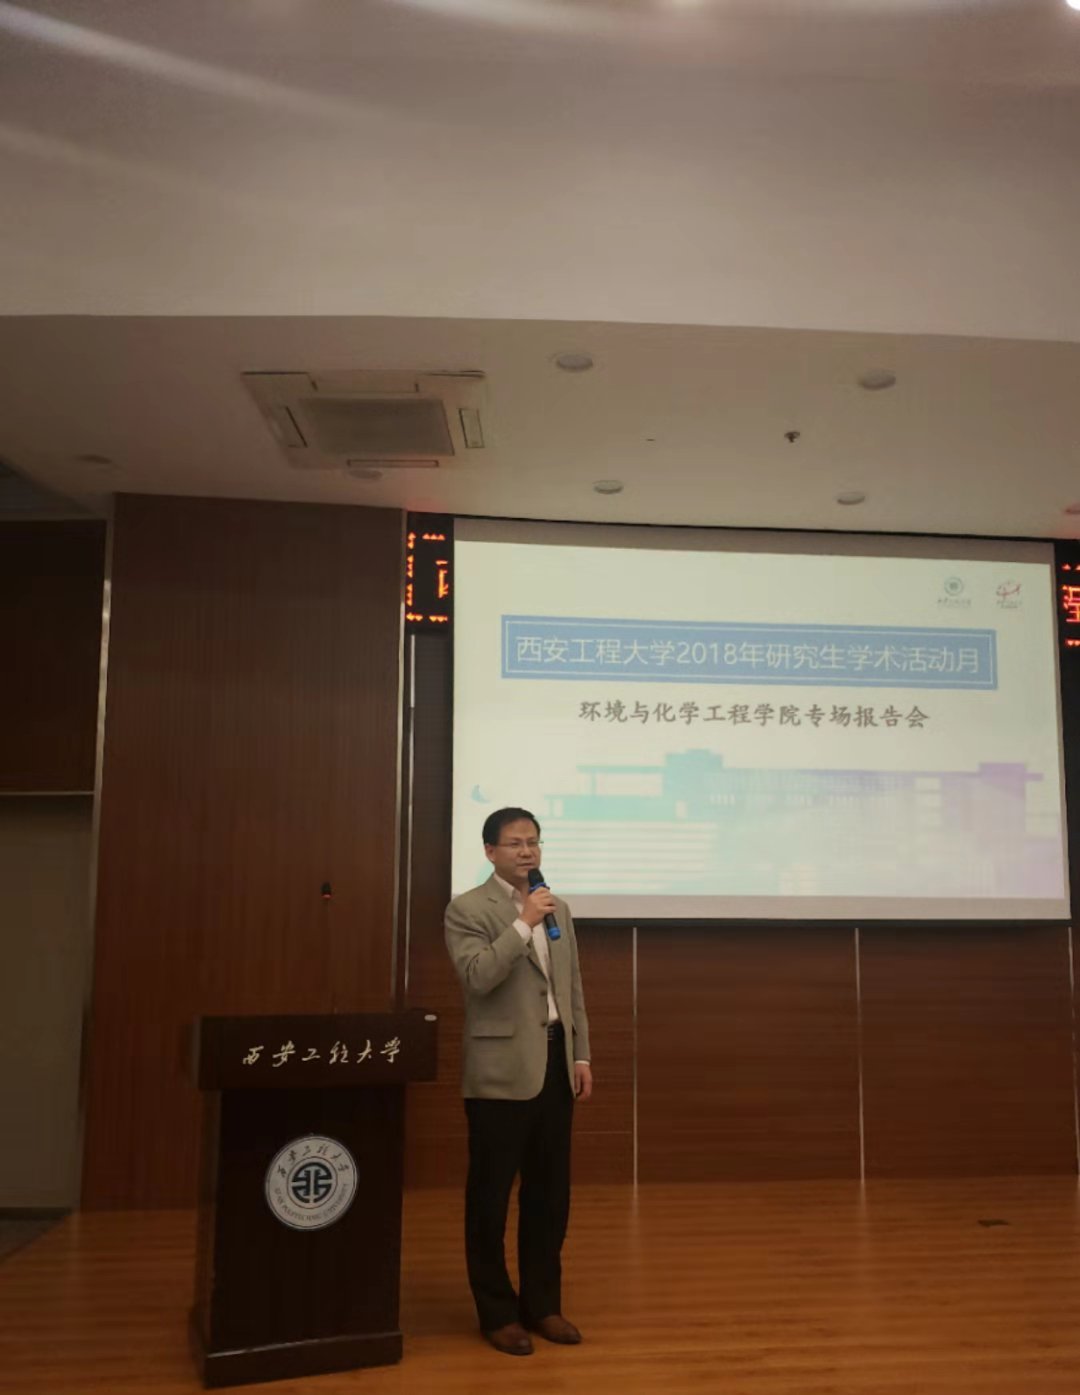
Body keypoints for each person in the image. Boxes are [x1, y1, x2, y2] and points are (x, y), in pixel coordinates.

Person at [444, 807, 593, 1357]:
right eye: (515, 843)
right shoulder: (467, 909)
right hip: (499, 1072)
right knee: (489, 1198)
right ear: (490, 851)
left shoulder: (559, 908)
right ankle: (497, 1312)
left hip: (555, 1063)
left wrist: (582, 1054)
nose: (527, 851)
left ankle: (543, 1304)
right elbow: (478, 977)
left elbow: (570, 988)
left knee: (550, 1195)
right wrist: (522, 923)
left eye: (534, 841)